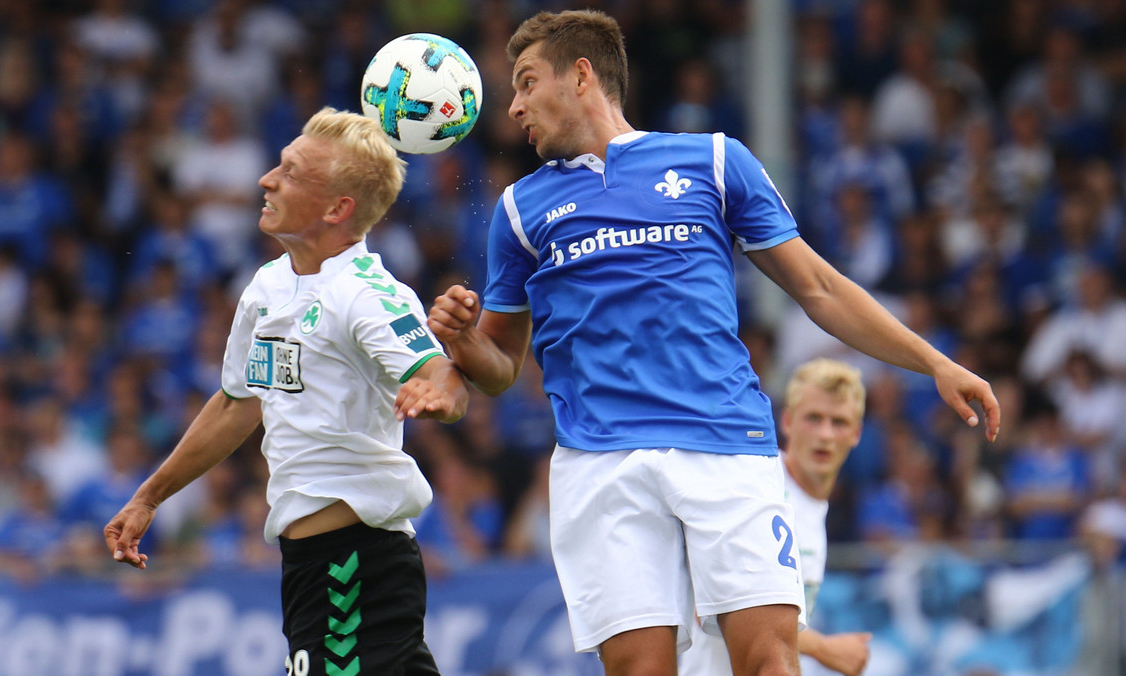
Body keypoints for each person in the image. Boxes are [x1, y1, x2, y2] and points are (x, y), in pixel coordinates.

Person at [427, 10, 999, 676]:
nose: (515, 105)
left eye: (526, 82)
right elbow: (499, 369)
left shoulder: (714, 160)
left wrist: (934, 362)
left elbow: (817, 287)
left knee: (769, 664)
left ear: (581, 75)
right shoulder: (520, 210)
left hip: (724, 444)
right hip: (601, 462)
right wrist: (464, 345)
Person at [104, 107, 468, 676]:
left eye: (291, 172)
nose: (266, 180)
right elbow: (236, 404)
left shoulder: (367, 293)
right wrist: (150, 495)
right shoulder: (268, 286)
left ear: (336, 208)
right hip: (308, 566)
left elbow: (438, 373)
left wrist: (440, 394)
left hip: (357, 561)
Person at [679, 359, 873, 676]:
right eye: (814, 418)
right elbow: (715, 605)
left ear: (856, 433)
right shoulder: (758, 491)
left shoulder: (812, 507)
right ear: (787, 421)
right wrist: (825, 649)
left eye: (838, 422)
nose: (825, 434)